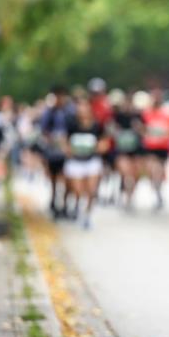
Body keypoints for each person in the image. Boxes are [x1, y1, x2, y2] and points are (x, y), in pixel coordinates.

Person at [63, 98, 107, 230]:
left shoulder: (97, 125)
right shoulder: (71, 124)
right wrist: (67, 149)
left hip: (92, 160)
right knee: (78, 191)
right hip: (76, 161)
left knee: (92, 190)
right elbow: (65, 141)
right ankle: (79, 208)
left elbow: (104, 141)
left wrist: (100, 147)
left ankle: (87, 215)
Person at [38, 85, 74, 218]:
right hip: (53, 151)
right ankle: (54, 201)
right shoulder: (49, 112)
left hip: (65, 150)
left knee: (66, 178)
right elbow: (44, 130)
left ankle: (64, 204)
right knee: (53, 179)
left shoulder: (69, 112)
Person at [140, 87, 169, 211]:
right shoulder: (146, 113)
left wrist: (166, 134)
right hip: (150, 146)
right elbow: (141, 128)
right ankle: (156, 189)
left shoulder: (168, 113)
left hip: (163, 147)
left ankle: (158, 190)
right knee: (152, 170)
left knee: (159, 171)